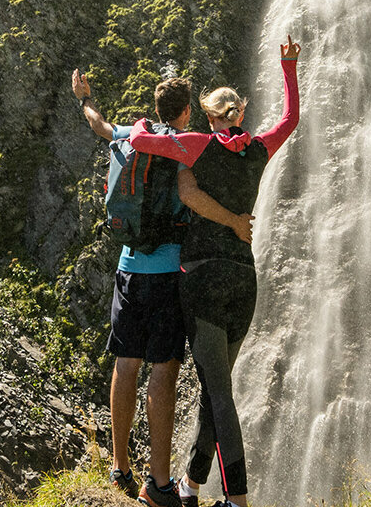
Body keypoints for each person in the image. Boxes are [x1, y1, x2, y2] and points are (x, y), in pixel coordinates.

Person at [127, 37, 300, 507]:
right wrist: (288, 66)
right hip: (245, 280)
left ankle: (238, 500)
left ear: (209, 116)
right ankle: (191, 485)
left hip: (202, 279)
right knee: (214, 389)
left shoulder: (199, 146)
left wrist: (142, 125)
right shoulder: (259, 149)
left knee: (220, 396)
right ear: (240, 114)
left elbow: (141, 141)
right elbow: (291, 119)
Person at [71, 69, 194, 507]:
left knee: (126, 365)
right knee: (163, 371)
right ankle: (159, 485)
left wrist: (83, 97)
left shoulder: (128, 135)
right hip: (166, 275)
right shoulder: (184, 147)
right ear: (184, 111)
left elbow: (96, 123)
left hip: (128, 268)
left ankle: (119, 467)